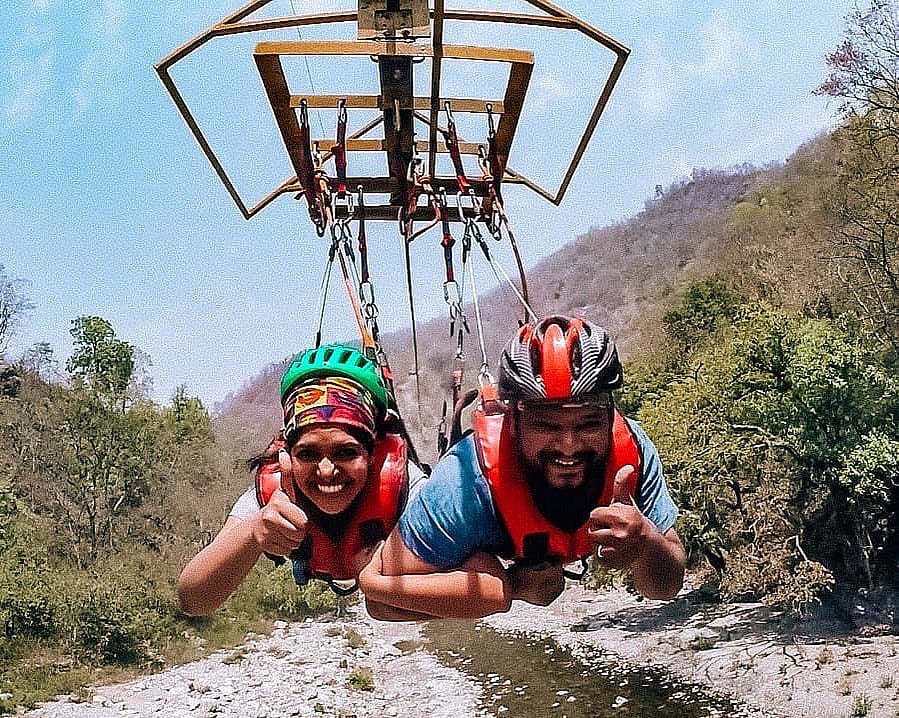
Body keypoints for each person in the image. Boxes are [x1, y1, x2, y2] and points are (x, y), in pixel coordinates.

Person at [358, 315, 686, 619]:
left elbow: (664, 588)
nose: (569, 446)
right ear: (511, 421)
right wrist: (509, 589)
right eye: (545, 425)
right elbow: (382, 604)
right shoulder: (462, 483)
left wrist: (646, 540)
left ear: (610, 416)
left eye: (588, 423)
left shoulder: (631, 454)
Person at [177, 344, 428, 617]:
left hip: (386, 580)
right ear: (287, 455)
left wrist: (379, 588)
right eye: (308, 454)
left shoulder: (406, 485)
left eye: (346, 452)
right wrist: (253, 530)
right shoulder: (274, 494)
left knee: (379, 607)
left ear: (372, 454)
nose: (326, 470)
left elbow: (466, 593)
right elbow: (193, 601)